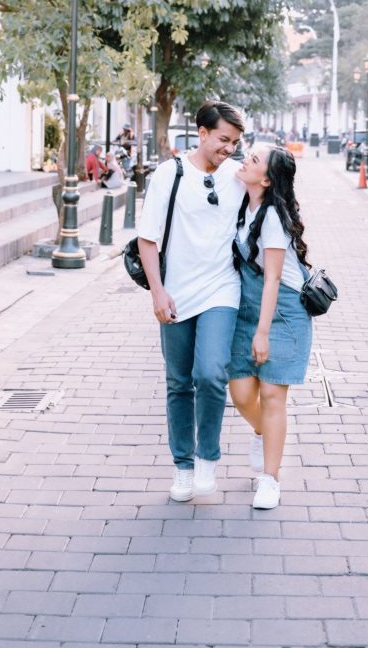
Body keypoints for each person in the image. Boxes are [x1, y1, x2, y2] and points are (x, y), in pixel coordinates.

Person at [137, 100, 246, 502]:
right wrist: (158, 291)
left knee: (212, 374)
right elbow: (148, 239)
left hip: (222, 289)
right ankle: (182, 466)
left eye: (235, 142)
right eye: (223, 139)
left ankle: (207, 457)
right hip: (177, 293)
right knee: (179, 382)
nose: (229, 149)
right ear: (202, 133)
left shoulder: (239, 175)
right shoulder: (170, 174)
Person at [228, 144, 312, 509]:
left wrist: (262, 332)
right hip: (247, 308)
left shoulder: (273, 217)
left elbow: (274, 279)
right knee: (241, 393)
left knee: (273, 395)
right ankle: (264, 432)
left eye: (254, 160)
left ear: (266, 179)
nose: (245, 160)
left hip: (283, 313)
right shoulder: (242, 203)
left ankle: (270, 479)